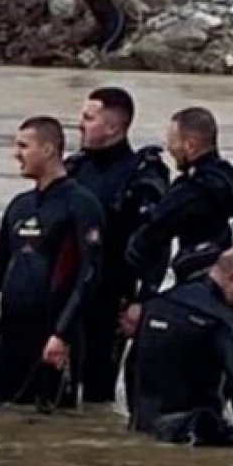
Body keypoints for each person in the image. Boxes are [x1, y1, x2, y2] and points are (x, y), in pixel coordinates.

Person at [125, 107, 233, 430]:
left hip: (191, 309)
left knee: (176, 395)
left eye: (174, 143)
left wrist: (145, 298)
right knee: (231, 383)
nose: (170, 150)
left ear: (191, 144)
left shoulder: (191, 190)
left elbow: (144, 244)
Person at [0, 116, 104, 409]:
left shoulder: (81, 204)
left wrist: (62, 334)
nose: (16, 154)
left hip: (53, 340)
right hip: (9, 337)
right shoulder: (19, 206)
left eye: (23, 146)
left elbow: (90, 274)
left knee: (48, 434)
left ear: (47, 150)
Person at [66, 87, 168, 403]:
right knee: (54, 389)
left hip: (111, 298)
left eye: (88, 117)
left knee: (97, 391)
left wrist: (143, 300)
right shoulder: (74, 168)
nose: (79, 124)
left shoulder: (142, 175)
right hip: (66, 294)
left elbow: (157, 242)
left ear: (113, 127)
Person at [130, 246, 233, 436]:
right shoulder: (223, 319)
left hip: (145, 426)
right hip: (193, 432)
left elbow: (133, 364)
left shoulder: (158, 305)